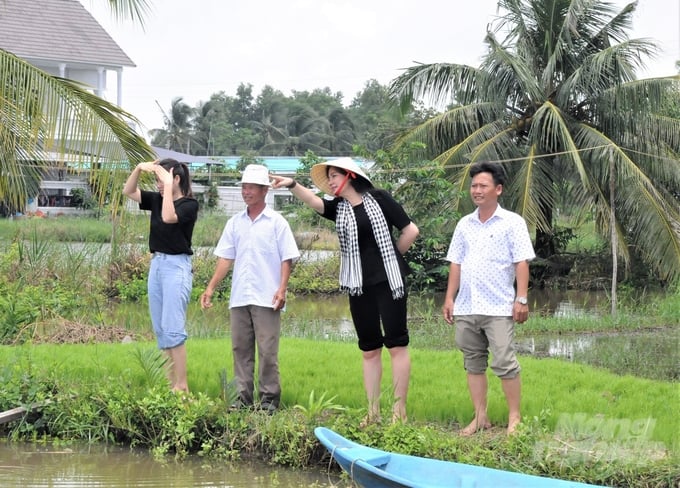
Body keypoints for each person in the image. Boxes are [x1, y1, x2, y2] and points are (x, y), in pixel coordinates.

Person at [271, 158, 419, 425]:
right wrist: (292, 184)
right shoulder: (338, 208)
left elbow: (411, 230)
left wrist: (393, 257)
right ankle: (373, 413)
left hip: (389, 281)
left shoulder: (380, 199)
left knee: (396, 345)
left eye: (335, 175)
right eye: (329, 177)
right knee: (369, 349)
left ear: (350, 175)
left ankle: (399, 413)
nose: (331, 181)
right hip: (358, 285)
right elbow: (315, 202)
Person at [442, 161, 535, 435]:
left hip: (498, 306)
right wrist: (450, 299)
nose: (477, 190)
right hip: (467, 305)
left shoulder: (512, 223)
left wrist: (522, 298)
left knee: (505, 362)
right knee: (473, 361)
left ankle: (514, 418)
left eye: (483, 185)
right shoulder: (464, 224)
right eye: (474, 186)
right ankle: (480, 417)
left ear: (498, 189)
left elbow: (521, 262)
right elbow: (456, 263)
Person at [200, 164, 299, 413]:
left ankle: (268, 401)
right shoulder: (235, 223)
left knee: (267, 350)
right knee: (240, 348)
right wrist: (210, 287)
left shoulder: (277, 223)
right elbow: (225, 258)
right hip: (240, 296)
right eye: (244, 187)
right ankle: (242, 399)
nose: (246, 191)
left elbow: (287, 258)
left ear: (265, 190)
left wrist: (282, 289)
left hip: (267, 296)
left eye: (251, 187)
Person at [122, 158, 198, 394]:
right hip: (157, 265)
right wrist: (138, 168)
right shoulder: (157, 199)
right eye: (156, 180)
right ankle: (170, 384)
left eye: (162, 180)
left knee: (174, 327)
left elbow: (168, 217)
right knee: (162, 329)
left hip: (176, 267)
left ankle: (182, 386)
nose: (158, 185)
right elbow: (129, 191)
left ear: (177, 179)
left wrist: (166, 185)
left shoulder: (189, 205)